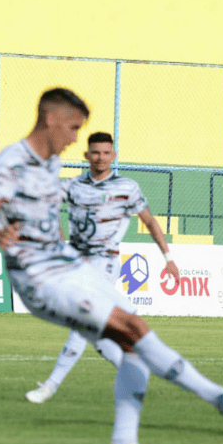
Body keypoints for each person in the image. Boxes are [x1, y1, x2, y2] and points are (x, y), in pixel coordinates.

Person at [0, 88, 223, 444]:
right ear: (51, 120)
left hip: (70, 263)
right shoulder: (12, 162)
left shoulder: (51, 163)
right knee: (129, 328)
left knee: (133, 338)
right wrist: (0, 234)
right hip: (40, 277)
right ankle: (217, 398)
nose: (74, 139)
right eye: (72, 128)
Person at [24, 131, 180, 404]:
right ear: (86, 155)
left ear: (114, 156)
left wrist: (169, 259)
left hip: (105, 263)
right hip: (77, 263)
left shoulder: (127, 188)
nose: (100, 157)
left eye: (106, 153)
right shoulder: (72, 186)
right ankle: (134, 374)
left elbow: (151, 222)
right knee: (97, 334)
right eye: (95, 152)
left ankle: (50, 386)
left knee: (80, 322)